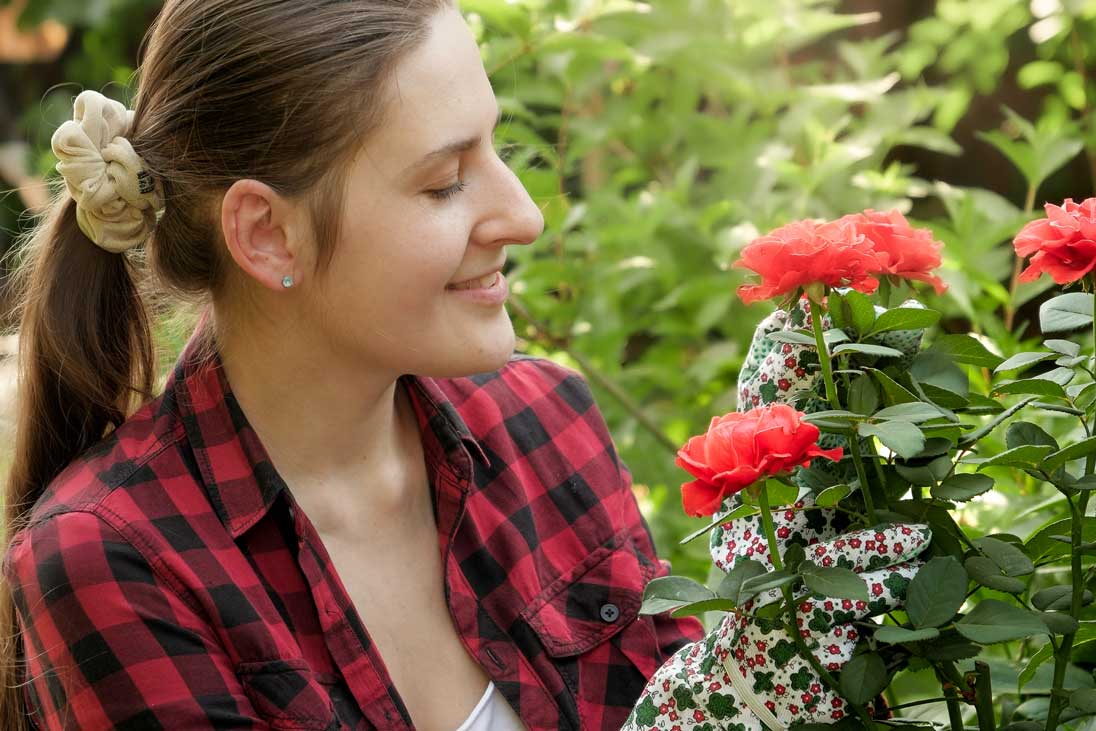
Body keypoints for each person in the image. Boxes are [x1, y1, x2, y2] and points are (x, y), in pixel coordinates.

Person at [0, 1, 703, 729]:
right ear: (268, 234)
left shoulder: (549, 422)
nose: (525, 216)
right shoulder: (120, 564)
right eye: (445, 182)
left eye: (501, 151)